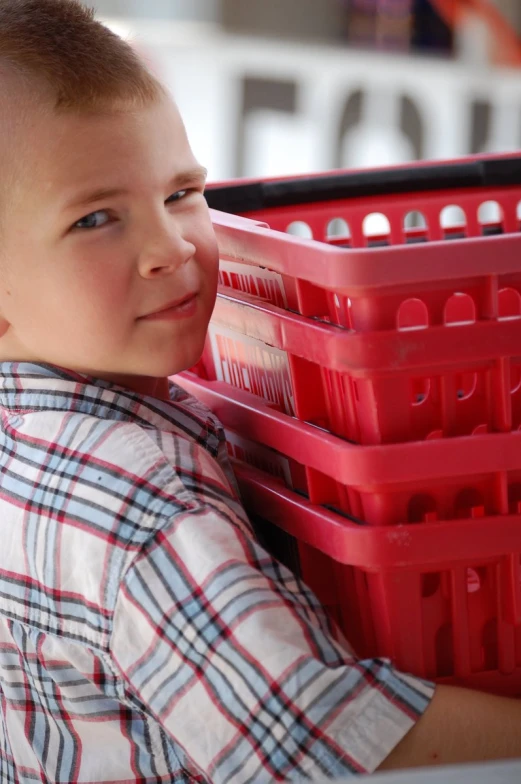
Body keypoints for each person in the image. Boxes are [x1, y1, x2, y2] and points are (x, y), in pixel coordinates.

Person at [0, 2, 520, 782]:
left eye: (181, 193)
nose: (170, 247)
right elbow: (318, 740)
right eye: (96, 218)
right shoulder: (141, 496)